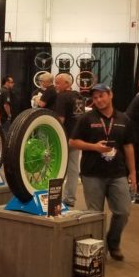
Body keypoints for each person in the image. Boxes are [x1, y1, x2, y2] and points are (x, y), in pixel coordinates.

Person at [69, 84, 137, 261]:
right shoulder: (86, 118)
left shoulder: (123, 119)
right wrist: (94, 147)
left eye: (101, 96)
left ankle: (113, 243)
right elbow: (73, 142)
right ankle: (97, 251)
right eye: (95, 97)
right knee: (95, 215)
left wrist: (133, 173)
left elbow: (128, 146)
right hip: (92, 174)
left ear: (110, 95)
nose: (98, 100)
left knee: (123, 212)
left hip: (118, 174)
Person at [53, 74, 85, 207]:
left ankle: (53, 197)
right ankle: (70, 198)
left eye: (58, 83)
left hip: (64, 137)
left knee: (56, 166)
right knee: (73, 168)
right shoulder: (79, 96)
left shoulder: (62, 96)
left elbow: (60, 119)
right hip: (77, 136)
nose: (55, 85)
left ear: (67, 83)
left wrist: (54, 136)